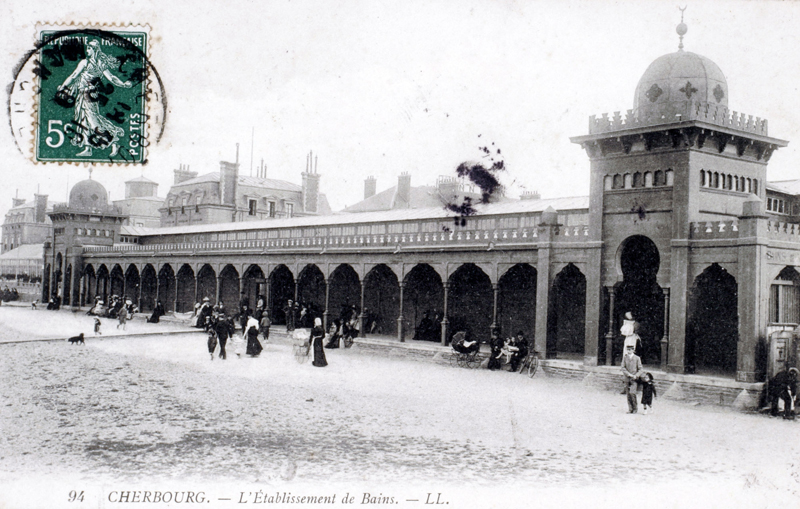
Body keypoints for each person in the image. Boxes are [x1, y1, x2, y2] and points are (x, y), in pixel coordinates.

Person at [56, 39, 133, 157]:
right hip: (82, 94)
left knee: (93, 120)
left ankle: (113, 139)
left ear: (96, 50)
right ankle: (88, 148)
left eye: (90, 48)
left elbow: (111, 77)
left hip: (90, 95)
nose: (88, 50)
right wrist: (64, 86)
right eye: (87, 48)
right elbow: (73, 75)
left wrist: (123, 84)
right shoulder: (85, 62)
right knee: (83, 120)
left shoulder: (98, 64)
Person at [621, 344, 643, 414]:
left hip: (634, 379)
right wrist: (628, 374)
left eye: (630, 350)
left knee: (632, 393)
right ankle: (630, 409)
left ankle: (635, 408)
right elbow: (623, 368)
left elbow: (641, 369)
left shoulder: (637, 358)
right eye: (628, 350)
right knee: (628, 394)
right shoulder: (625, 358)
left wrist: (636, 375)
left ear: (633, 350)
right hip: (627, 378)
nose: (629, 351)